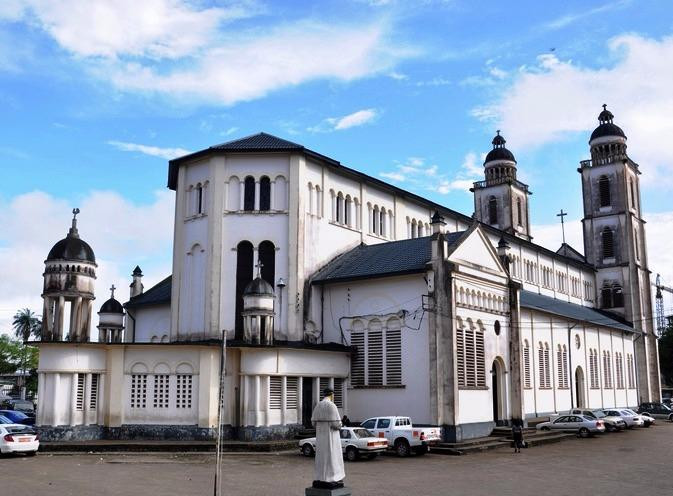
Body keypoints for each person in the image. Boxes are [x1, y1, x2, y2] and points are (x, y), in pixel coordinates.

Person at [311, 388, 345, 489]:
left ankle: (320, 477)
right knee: (332, 458)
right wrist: (340, 424)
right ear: (332, 395)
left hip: (320, 438)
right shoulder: (332, 406)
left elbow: (313, 423)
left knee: (321, 458)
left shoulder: (318, 405)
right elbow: (337, 424)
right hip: (331, 438)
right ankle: (331, 478)